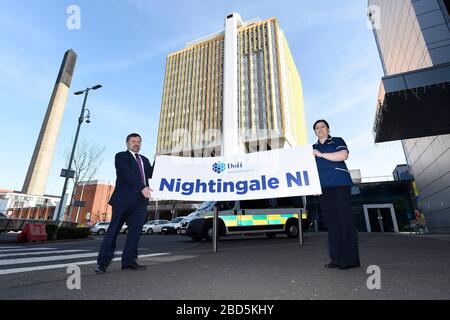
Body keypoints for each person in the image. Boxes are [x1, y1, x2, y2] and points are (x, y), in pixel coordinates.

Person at [95, 133, 154, 274]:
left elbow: (151, 174)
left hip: (140, 203)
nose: (136, 143)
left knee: (135, 233)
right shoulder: (121, 156)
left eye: (139, 141)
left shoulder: (145, 160)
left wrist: (158, 160)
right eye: (133, 141)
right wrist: (142, 187)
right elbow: (126, 173)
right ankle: (102, 263)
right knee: (113, 231)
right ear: (127, 143)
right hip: (123, 201)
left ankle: (128, 261)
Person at [312, 120, 360, 270]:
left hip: (339, 184)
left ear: (328, 129)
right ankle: (336, 258)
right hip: (323, 187)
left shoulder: (337, 141)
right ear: (315, 132)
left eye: (322, 126)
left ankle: (349, 260)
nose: (320, 129)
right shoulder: (312, 148)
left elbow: (343, 155)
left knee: (344, 220)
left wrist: (321, 154)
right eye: (317, 128)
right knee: (331, 223)